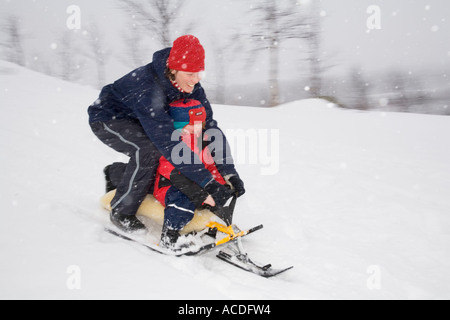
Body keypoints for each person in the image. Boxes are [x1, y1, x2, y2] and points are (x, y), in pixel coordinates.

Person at [88, 35, 245, 233]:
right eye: (190, 74)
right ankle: (122, 210)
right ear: (174, 69)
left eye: (199, 73)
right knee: (149, 151)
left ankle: (117, 174)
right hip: (109, 118)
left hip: (144, 117)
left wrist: (228, 172)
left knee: (170, 151)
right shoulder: (147, 88)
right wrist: (207, 182)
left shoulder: (192, 86)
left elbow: (210, 128)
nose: (195, 80)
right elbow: (170, 145)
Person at [153, 99, 242, 249]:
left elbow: (210, 166)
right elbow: (173, 174)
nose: (198, 127)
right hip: (170, 185)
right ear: (179, 125)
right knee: (182, 199)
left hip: (198, 182)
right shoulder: (170, 143)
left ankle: (212, 225)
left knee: (220, 192)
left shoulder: (201, 139)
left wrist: (224, 183)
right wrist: (200, 194)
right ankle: (170, 236)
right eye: (192, 124)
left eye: (200, 123)